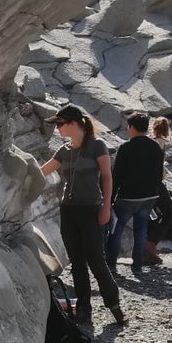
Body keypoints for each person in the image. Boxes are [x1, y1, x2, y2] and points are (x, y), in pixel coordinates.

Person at [38, 104, 126, 326]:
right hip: (68, 211)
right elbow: (43, 171)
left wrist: (106, 207)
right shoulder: (64, 150)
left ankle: (114, 306)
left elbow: (107, 176)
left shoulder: (97, 145)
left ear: (73, 124)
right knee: (77, 263)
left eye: (60, 124)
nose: (57, 128)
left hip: (91, 210)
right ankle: (84, 310)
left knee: (96, 261)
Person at [107, 110, 165, 275]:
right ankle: (137, 265)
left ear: (132, 128)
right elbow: (159, 173)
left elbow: (116, 175)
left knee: (116, 229)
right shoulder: (156, 147)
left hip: (128, 197)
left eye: (128, 127)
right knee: (141, 230)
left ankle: (111, 264)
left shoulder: (126, 147)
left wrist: (110, 199)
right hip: (149, 196)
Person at [144, 116, 172, 265]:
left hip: (145, 183)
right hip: (155, 183)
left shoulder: (149, 140)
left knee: (152, 216)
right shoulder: (160, 142)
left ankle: (149, 248)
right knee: (169, 214)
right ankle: (149, 246)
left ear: (154, 128)